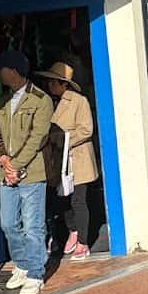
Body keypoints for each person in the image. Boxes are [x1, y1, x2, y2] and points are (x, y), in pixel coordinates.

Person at [0, 50, 53, 294]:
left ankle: (36, 272)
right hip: (7, 173)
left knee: (33, 225)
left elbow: (37, 137)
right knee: (7, 222)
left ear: (13, 71)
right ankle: (22, 265)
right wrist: (3, 159)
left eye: (2, 69)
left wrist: (15, 165)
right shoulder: (3, 100)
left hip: (32, 173)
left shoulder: (41, 100)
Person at [35, 62, 99, 261]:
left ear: (63, 83)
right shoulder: (50, 102)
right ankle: (72, 230)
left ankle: (83, 242)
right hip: (58, 161)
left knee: (78, 200)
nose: (49, 85)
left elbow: (86, 129)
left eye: (52, 81)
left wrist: (62, 138)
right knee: (61, 200)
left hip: (77, 159)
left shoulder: (78, 101)